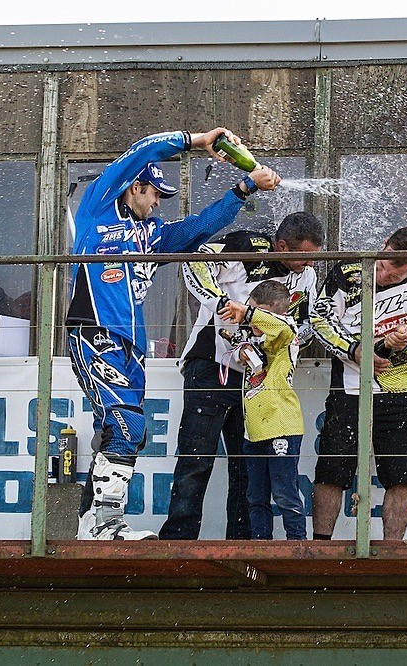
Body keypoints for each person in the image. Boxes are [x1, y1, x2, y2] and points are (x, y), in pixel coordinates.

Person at [66, 128, 280, 541]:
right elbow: (139, 148)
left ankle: (90, 525)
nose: (158, 202)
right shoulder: (98, 209)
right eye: (155, 194)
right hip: (92, 332)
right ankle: (107, 527)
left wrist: (244, 188)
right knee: (127, 426)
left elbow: (201, 227)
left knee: (117, 429)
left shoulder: (154, 234)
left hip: (131, 344)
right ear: (134, 188)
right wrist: (196, 140)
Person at [159, 211, 323, 540]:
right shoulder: (248, 246)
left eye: (313, 259)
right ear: (281, 246)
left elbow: (307, 322)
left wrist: (282, 344)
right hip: (211, 365)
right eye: (303, 257)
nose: (308, 265)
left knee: (246, 467)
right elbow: (194, 261)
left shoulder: (306, 276)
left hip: (255, 382)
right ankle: (178, 542)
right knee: (196, 459)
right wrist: (219, 302)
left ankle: (241, 542)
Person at [310, 226, 407, 541]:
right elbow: (319, 320)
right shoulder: (347, 271)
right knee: (331, 473)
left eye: (395, 276)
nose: (383, 276)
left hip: (400, 390)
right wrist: (356, 351)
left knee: (400, 478)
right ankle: (321, 548)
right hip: (349, 387)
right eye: (382, 266)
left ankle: (391, 551)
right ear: (382, 244)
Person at [219, 280, 307, 540]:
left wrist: (249, 313)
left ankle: (298, 548)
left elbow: (280, 328)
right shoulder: (250, 336)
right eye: (253, 310)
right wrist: (242, 350)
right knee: (255, 497)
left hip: (283, 425)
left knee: (285, 493)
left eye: (262, 314)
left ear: (278, 314)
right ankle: (261, 547)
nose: (256, 321)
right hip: (253, 430)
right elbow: (238, 354)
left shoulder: (287, 329)